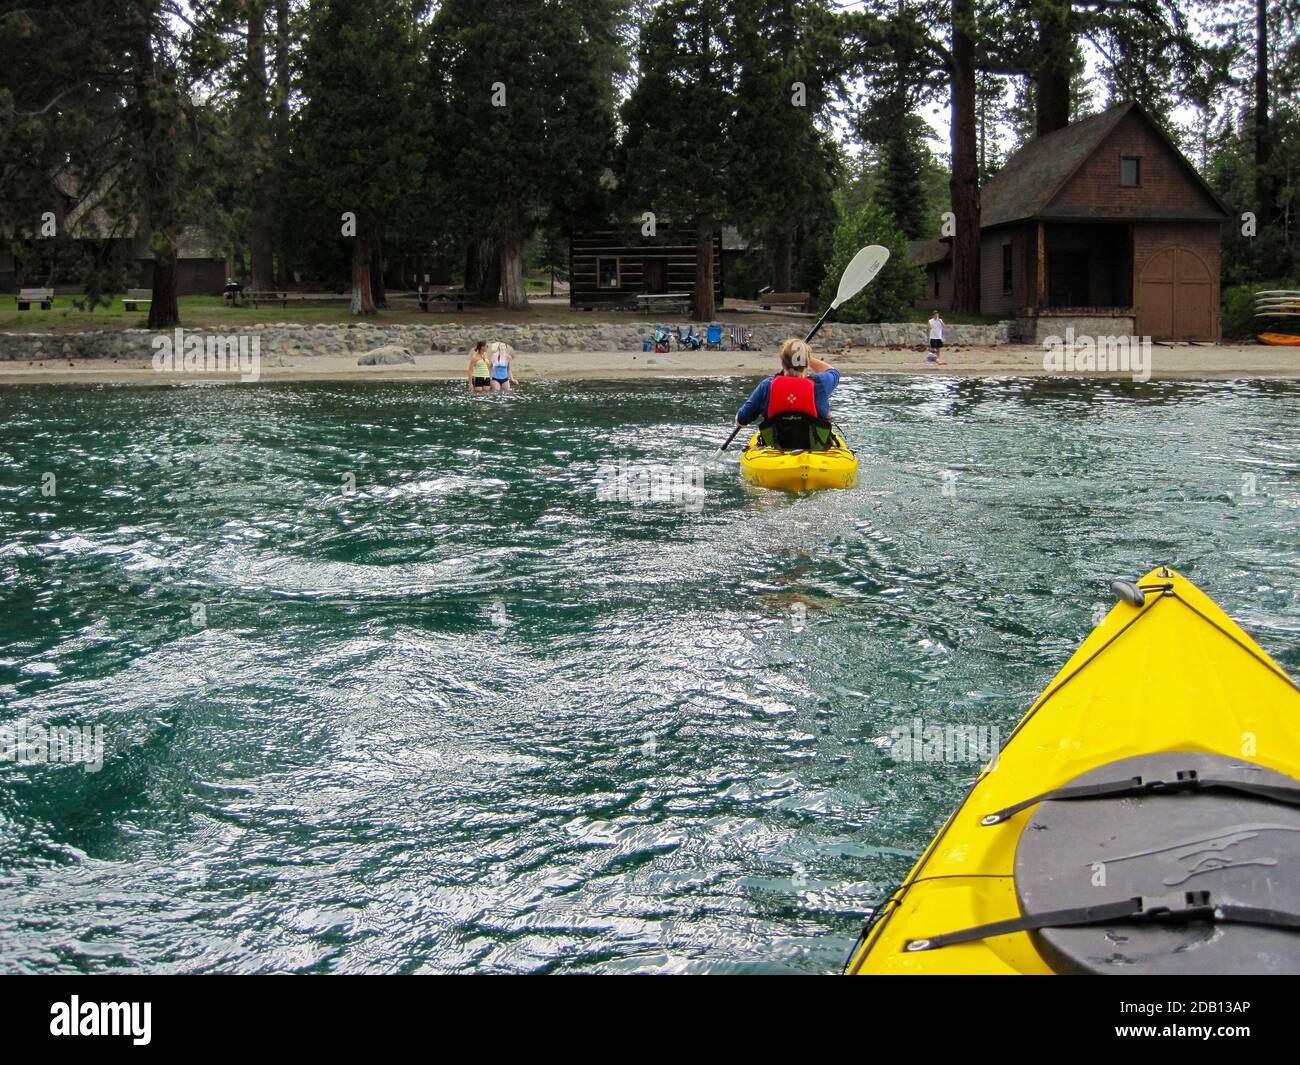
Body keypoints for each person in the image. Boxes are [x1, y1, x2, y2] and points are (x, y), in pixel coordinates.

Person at [734, 338, 840, 450]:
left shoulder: (766, 386)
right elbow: (834, 372)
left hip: (775, 453)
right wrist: (807, 357)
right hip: (815, 454)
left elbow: (741, 419)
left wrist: (740, 419)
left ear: (782, 361)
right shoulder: (820, 383)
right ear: (806, 362)